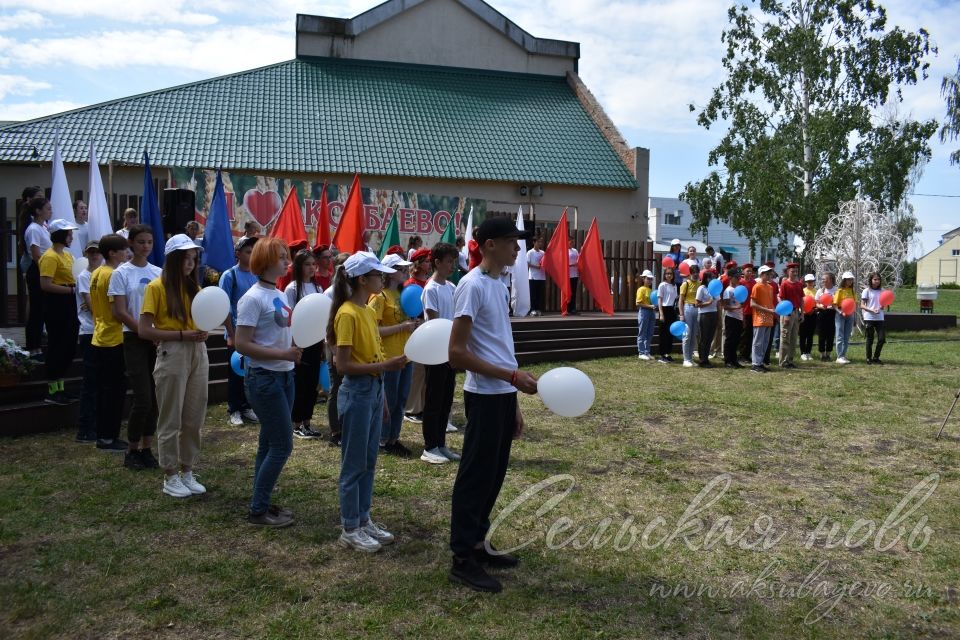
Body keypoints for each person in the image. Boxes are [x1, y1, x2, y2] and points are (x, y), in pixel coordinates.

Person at [448, 217, 538, 593]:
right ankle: (462, 558)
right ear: (487, 245)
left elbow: (500, 346)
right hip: (484, 395)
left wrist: (512, 398)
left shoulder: (498, 285)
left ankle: (478, 542)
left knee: (495, 473)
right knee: (476, 475)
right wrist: (511, 378)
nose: (517, 249)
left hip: (501, 395)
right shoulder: (471, 286)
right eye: (510, 241)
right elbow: (456, 354)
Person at [328, 252, 406, 552]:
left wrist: (382, 396)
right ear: (363, 279)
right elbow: (343, 366)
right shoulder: (347, 313)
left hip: (372, 391)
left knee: (369, 461)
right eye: (377, 275)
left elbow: (374, 356)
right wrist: (385, 369)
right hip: (358, 392)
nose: (382, 279)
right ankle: (350, 526)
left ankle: (363, 517)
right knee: (354, 463)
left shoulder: (366, 311)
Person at [236, 237, 303, 528]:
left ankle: (260, 502)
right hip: (264, 378)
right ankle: (257, 509)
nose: (287, 262)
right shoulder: (252, 298)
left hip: (284, 375)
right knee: (281, 445)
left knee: (268, 443)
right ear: (264, 261)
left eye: (286, 256)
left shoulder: (279, 294)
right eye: (281, 257)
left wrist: (292, 350)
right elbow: (242, 344)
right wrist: (283, 353)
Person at [138, 234, 209, 498]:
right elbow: (145, 330)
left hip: (197, 351)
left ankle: (187, 470)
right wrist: (181, 335)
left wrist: (202, 333)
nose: (190, 263)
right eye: (185, 257)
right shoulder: (156, 287)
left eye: (193, 258)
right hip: (173, 351)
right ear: (173, 259)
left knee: (194, 415)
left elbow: (205, 318)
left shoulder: (196, 289)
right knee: (171, 416)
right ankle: (170, 475)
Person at [109, 224, 163, 469]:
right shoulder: (121, 273)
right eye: (141, 241)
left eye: (149, 242)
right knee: (142, 397)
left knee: (154, 397)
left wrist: (157, 332)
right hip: (134, 339)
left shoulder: (158, 272)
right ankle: (131, 450)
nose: (146, 246)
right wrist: (143, 330)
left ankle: (146, 448)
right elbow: (119, 311)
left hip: (155, 338)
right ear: (130, 243)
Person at [368, 252, 416, 457]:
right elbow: (373, 330)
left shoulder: (403, 294)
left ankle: (393, 438)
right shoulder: (380, 297)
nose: (406, 271)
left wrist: (413, 326)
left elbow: (406, 322)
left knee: (402, 399)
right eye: (401, 268)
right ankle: (382, 439)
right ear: (389, 273)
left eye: (406, 268)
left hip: (407, 354)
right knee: (390, 400)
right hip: (389, 356)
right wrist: (402, 327)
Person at [88, 233, 130, 452]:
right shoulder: (113, 274)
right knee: (114, 391)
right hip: (113, 338)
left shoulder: (97, 273)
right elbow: (117, 311)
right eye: (123, 250)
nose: (126, 253)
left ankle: (104, 434)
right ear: (112, 253)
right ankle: (108, 437)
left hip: (100, 336)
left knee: (105, 389)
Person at [421, 243, 460, 464]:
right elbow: (434, 321)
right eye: (448, 262)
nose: (452, 266)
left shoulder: (452, 287)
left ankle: (441, 444)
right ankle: (429, 446)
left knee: (446, 400)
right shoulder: (431, 289)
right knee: (434, 401)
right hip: (436, 351)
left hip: (450, 352)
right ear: (437, 262)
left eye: (453, 262)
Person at [283, 248, 325, 439]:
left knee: (312, 384)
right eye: (307, 264)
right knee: (300, 383)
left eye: (312, 264)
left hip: (315, 341)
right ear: (298, 267)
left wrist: (323, 343)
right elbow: (290, 318)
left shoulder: (318, 289)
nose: (311, 268)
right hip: (299, 342)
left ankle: (307, 421)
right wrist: (293, 345)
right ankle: (296, 422)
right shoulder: (292, 289)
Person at [38, 219, 80, 405]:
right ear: (61, 235)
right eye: (69, 233)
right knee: (57, 345)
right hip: (56, 303)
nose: (71, 236)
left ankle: (61, 387)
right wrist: (71, 290)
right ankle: (52, 390)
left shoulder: (67, 255)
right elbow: (46, 285)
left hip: (69, 301)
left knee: (69, 345)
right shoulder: (49, 256)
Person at [220, 237, 260, 427]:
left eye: (253, 251)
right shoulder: (229, 276)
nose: (251, 255)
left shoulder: (256, 275)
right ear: (238, 254)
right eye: (247, 251)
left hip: (252, 334)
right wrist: (231, 334)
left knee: (248, 372)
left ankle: (246, 406)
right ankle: (234, 409)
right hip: (236, 333)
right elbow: (224, 306)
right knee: (235, 372)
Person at [75, 240, 103, 443]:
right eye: (91, 253)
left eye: (97, 252)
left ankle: (95, 424)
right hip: (89, 331)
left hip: (101, 332)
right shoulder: (85, 276)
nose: (94, 256)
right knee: (90, 381)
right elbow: (93, 305)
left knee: (99, 381)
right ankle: (85, 428)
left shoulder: (102, 274)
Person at [21, 195, 51, 359]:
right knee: (37, 310)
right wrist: (46, 272)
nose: (50, 212)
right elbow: (36, 254)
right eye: (47, 209)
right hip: (38, 271)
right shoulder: (33, 229)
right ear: (38, 211)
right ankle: (33, 346)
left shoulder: (43, 227)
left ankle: (40, 343)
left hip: (45, 270)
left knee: (43, 308)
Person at [403, 248, 432, 423]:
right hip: (415, 329)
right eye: (427, 261)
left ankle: (422, 406)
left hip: (428, 330)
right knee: (417, 371)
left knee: (426, 371)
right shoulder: (410, 285)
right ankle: (411, 409)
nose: (429, 264)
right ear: (418, 264)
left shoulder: (429, 283)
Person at [750, 265, 776, 374]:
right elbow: (752, 303)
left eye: (770, 273)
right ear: (761, 275)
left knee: (765, 342)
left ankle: (760, 363)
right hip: (759, 318)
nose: (769, 275)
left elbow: (770, 302)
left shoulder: (770, 287)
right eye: (766, 273)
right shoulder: (757, 286)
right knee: (758, 342)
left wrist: (773, 312)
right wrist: (767, 310)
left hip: (768, 318)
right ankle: (755, 364)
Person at [777, 262, 803, 369]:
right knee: (785, 337)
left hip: (796, 312)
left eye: (796, 271)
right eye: (792, 271)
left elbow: (801, 299)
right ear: (788, 272)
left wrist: (802, 313)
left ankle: (790, 359)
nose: (795, 273)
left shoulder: (799, 284)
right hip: (787, 312)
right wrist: (786, 314)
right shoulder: (785, 284)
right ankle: (783, 361)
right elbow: (782, 299)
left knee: (793, 338)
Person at [861, 272, 886, 365]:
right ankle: (868, 358)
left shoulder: (883, 291)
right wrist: (871, 310)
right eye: (875, 279)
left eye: (878, 279)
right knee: (870, 338)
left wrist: (883, 306)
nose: (877, 281)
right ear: (871, 280)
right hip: (869, 317)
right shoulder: (866, 291)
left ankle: (876, 357)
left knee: (881, 339)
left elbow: (884, 303)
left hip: (880, 318)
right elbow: (862, 305)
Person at [694, 270, 718, 368]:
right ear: (706, 278)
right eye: (710, 277)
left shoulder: (715, 289)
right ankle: (702, 360)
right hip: (704, 315)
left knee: (710, 338)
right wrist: (708, 303)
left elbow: (718, 303)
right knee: (704, 337)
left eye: (713, 277)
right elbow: (697, 304)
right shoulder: (702, 288)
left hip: (714, 314)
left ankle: (706, 358)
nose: (712, 279)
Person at [678, 264, 701, 367]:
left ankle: (690, 358)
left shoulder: (700, 284)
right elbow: (680, 301)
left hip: (697, 309)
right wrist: (681, 314)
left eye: (697, 272)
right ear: (690, 273)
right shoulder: (685, 284)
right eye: (694, 272)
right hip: (688, 308)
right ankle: (685, 359)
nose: (696, 274)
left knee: (693, 335)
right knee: (687, 334)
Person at [722, 268, 744, 368]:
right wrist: (736, 307)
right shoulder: (728, 290)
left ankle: (734, 360)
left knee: (736, 340)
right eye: (736, 277)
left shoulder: (739, 289)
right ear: (730, 278)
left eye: (739, 276)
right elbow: (725, 306)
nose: (738, 278)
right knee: (730, 339)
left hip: (739, 317)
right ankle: (728, 360)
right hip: (731, 318)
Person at [833, 271, 856, 364]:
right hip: (840, 315)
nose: (850, 281)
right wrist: (840, 312)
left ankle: (843, 355)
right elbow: (834, 304)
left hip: (850, 315)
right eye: (848, 279)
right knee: (840, 335)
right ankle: (839, 356)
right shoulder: (839, 291)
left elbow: (854, 303)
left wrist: (852, 313)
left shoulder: (852, 291)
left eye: (851, 279)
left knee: (847, 336)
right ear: (844, 280)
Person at [656, 267, 678, 363]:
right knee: (663, 333)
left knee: (670, 333)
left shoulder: (674, 285)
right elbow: (660, 299)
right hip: (664, 309)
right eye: (667, 273)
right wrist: (661, 313)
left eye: (671, 273)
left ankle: (668, 353)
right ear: (664, 275)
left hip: (671, 310)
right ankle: (662, 354)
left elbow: (675, 299)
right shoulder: (662, 285)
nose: (669, 275)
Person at [815, 272, 837, 361]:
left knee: (830, 334)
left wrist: (833, 305)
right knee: (822, 334)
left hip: (832, 313)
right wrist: (820, 306)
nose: (823, 280)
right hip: (822, 313)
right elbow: (816, 303)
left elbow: (838, 302)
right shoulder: (820, 291)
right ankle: (822, 354)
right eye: (822, 279)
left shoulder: (836, 290)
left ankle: (828, 354)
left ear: (830, 280)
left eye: (825, 279)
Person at [737, 263, 756, 364]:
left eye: (751, 271)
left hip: (752, 311)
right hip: (743, 311)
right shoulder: (740, 283)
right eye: (747, 271)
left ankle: (747, 355)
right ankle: (741, 355)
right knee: (744, 334)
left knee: (750, 334)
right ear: (743, 272)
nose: (749, 272)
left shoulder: (754, 283)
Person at [635, 269, 656, 360]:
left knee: (650, 333)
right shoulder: (641, 289)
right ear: (643, 279)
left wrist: (653, 306)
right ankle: (641, 352)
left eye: (651, 279)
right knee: (642, 332)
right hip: (644, 312)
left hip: (651, 312)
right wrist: (650, 306)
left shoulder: (651, 290)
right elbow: (638, 303)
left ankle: (647, 351)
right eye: (648, 278)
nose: (650, 280)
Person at [799, 273, 818, 361]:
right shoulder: (802, 291)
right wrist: (804, 311)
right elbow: (800, 302)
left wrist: (813, 310)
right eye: (808, 281)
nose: (810, 283)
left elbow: (818, 303)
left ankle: (808, 352)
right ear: (805, 282)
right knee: (803, 334)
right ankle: (802, 353)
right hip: (803, 314)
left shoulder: (816, 291)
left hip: (813, 314)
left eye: (812, 281)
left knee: (810, 335)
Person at [526, 236, 545, 316]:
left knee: (539, 294)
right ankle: (532, 309)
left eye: (540, 242)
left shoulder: (543, 252)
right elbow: (527, 263)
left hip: (541, 276)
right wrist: (536, 267)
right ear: (534, 242)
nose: (539, 243)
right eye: (538, 242)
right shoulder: (530, 252)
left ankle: (538, 309)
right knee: (533, 294)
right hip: (533, 276)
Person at [567, 238, 579, 314]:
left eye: (573, 242)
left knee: (574, 292)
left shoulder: (575, 250)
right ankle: (567, 308)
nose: (572, 243)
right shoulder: (565, 250)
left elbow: (579, 259)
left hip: (575, 274)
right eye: (571, 242)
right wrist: (571, 265)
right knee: (568, 292)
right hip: (568, 275)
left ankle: (573, 308)